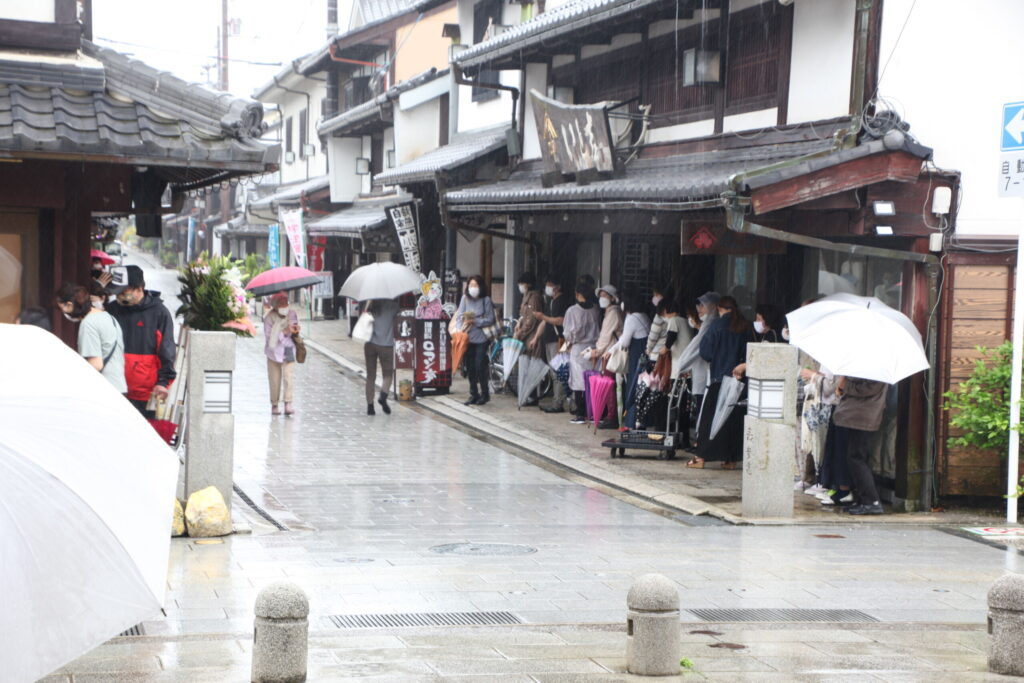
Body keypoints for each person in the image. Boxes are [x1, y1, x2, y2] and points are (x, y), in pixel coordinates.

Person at [691, 295, 753, 469]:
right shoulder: (745, 326)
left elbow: (706, 353)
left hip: (720, 378)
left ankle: (701, 457)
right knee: (732, 421)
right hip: (741, 379)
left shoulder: (716, 326)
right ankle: (730, 459)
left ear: (720, 309)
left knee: (710, 419)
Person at [106, 265, 177, 417]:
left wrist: (163, 382)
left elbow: (167, 349)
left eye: (124, 293)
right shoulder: (112, 310)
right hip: (114, 386)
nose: (119, 297)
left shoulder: (159, 313)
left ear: (139, 289)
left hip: (146, 391)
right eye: (117, 293)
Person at [821, 375, 888, 515]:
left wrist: (845, 386)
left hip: (864, 417)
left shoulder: (877, 369)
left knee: (856, 458)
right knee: (855, 457)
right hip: (860, 416)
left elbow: (868, 389)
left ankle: (872, 502)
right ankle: (864, 499)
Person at [56, 282, 127, 394]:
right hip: (119, 386)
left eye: (62, 308)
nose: (63, 313)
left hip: (105, 391)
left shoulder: (88, 323)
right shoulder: (109, 317)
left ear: (69, 305)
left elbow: (96, 364)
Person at [606, 292, 650, 429]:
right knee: (644, 389)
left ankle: (631, 423)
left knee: (632, 389)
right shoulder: (644, 316)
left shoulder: (631, 318)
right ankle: (643, 421)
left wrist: (611, 350)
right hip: (646, 356)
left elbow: (624, 342)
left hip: (636, 356)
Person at [562, 280, 602, 425]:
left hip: (578, 348)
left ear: (578, 294)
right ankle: (591, 411)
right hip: (593, 347)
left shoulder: (572, 311)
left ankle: (580, 413)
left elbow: (568, 334)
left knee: (579, 381)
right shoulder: (596, 309)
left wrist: (566, 345)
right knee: (592, 379)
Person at [532, 275, 573, 413]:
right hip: (549, 340)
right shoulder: (551, 301)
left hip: (559, 340)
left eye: (550, 284)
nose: (548, 287)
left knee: (558, 372)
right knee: (554, 371)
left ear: (558, 286)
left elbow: (561, 321)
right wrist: (536, 338)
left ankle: (558, 403)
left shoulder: (563, 301)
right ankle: (559, 400)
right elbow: (544, 322)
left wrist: (543, 317)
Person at [454, 275, 495, 406]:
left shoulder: (486, 300)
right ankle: (473, 393)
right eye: (471, 285)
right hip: (467, 338)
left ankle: (485, 394)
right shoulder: (464, 299)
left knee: (479, 365)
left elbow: (490, 319)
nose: (473, 288)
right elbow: (459, 316)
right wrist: (461, 329)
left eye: (475, 285)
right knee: (470, 367)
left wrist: (475, 321)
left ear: (481, 287)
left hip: (482, 338)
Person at [263, 292, 300, 416]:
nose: (285, 305)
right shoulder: (269, 317)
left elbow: (295, 329)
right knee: (274, 379)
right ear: (275, 305)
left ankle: (288, 403)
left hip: (288, 349)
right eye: (281, 303)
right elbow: (269, 336)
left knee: (288, 377)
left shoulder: (292, 314)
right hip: (273, 352)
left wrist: (294, 330)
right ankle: (274, 404)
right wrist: (282, 332)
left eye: (286, 302)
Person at [512, 272, 545, 405]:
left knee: (531, 367)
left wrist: (519, 334)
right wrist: (518, 324)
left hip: (531, 336)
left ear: (528, 284)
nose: (520, 286)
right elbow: (523, 315)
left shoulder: (534, 297)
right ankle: (526, 394)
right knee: (525, 367)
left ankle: (531, 396)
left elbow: (531, 321)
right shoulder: (526, 296)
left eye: (522, 283)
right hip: (526, 337)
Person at [364, 297, 399, 415]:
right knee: (388, 374)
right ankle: (383, 395)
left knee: (370, 376)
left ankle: (370, 407)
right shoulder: (393, 306)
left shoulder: (371, 305)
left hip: (370, 344)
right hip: (386, 345)